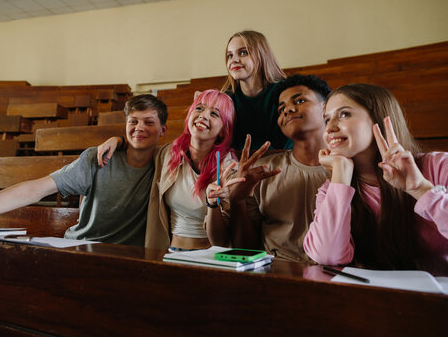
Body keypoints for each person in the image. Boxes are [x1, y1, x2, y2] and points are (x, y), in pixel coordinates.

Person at [0, 94, 168, 247]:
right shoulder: (98, 158)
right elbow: (34, 190)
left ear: (163, 129)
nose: (139, 128)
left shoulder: (167, 162)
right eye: (133, 121)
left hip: (128, 258)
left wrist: (118, 139)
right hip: (80, 249)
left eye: (149, 122)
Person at [303, 83, 448, 277]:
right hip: (383, 300)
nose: (330, 128)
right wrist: (340, 173)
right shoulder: (332, 188)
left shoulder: (446, 168)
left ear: (378, 119)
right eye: (327, 119)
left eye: (344, 114)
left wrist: (421, 189)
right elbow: (327, 257)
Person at [206, 74, 331, 262]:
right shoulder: (261, 171)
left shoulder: (349, 168)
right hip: (276, 273)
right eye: (281, 109)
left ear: (326, 108)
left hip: (336, 278)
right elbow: (245, 250)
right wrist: (239, 200)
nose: (287, 110)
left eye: (299, 100)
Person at [97, 89, 239, 251]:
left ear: (223, 130)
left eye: (214, 114)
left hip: (208, 257)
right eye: (199, 108)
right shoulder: (167, 154)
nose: (203, 115)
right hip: (169, 253)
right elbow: (139, 148)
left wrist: (212, 204)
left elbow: (221, 241)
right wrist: (118, 141)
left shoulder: (229, 168)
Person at [224, 30, 292, 150]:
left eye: (243, 52)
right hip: (239, 166)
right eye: (230, 55)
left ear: (262, 55)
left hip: (283, 163)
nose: (234, 60)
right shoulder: (226, 100)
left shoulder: (286, 92)